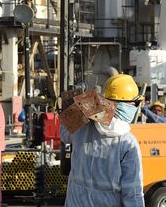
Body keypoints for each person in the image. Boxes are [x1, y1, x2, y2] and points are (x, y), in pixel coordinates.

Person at [60, 74, 145, 207]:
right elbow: (133, 194)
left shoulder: (83, 127)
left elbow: (63, 134)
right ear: (128, 106)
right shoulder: (127, 143)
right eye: (135, 104)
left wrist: (79, 109)